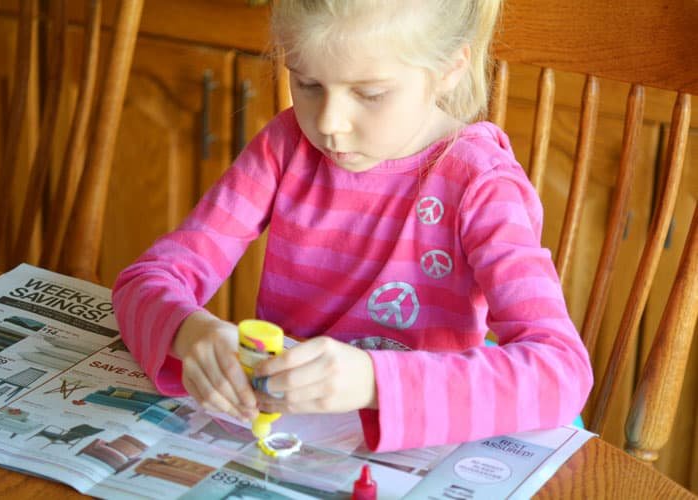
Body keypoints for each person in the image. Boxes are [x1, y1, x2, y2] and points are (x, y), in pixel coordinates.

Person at [112, 0, 593, 452]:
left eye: (369, 93)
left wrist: (370, 381)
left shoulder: (480, 185)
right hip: (291, 444)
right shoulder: (285, 147)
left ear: (450, 68)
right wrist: (192, 334)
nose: (330, 123)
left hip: (416, 453)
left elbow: (562, 373)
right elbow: (144, 282)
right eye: (307, 83)